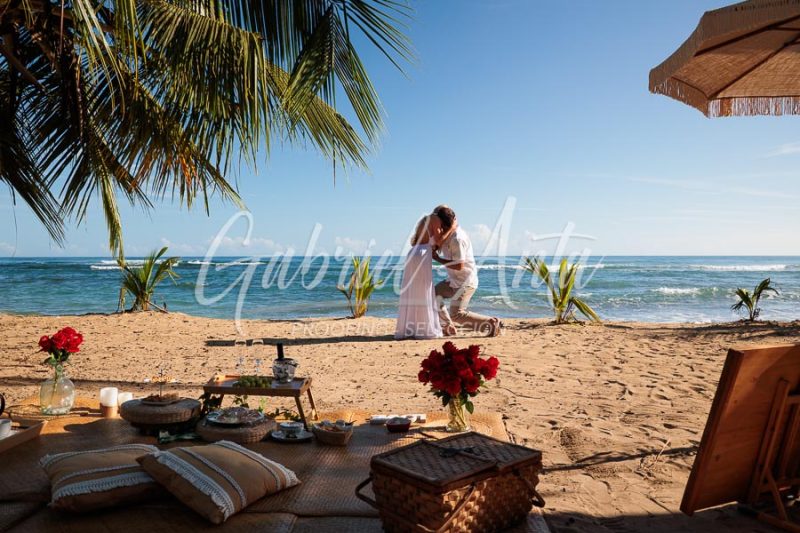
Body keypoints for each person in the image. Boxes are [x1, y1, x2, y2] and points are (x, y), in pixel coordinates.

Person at [430, 205, 501, 337]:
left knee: (457, 314)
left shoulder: (457, 239)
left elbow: (459, 265)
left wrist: (438, 259)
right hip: (453, 280)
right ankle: (448, 326)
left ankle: (491, 322)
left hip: (466, 282)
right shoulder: (446, 234)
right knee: (433, 295)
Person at [394, 216, 444, 339]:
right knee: (423, 290)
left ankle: (410, 328)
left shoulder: (424, 221)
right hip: (422, 254)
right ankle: (423, 329)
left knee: (412, 291)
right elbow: (439, 240)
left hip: (413, 252)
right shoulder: (435, 219)